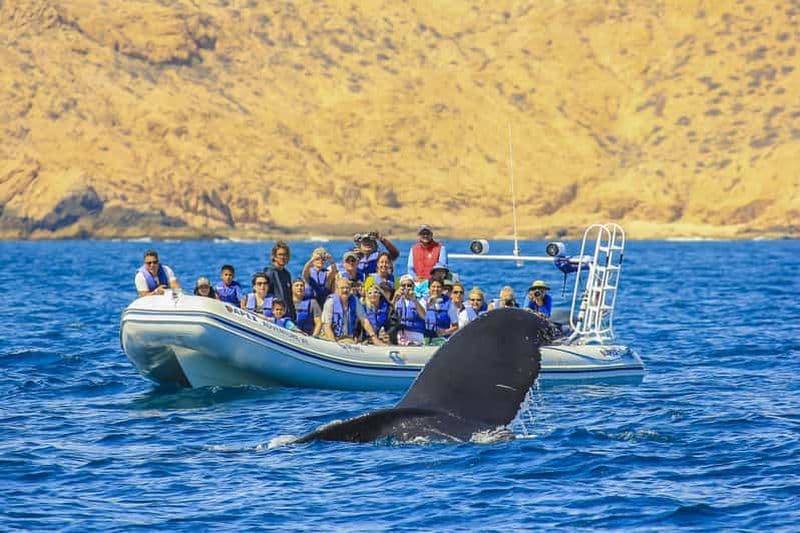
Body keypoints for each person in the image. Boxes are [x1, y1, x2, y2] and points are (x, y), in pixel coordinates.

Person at [322, 277, 383, 343]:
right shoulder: (330, 302)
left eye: (347, 288)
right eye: (342, 288)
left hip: (346, 338)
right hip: (330, 337)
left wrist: (374, 337)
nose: (345, 290)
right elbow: (326, 326)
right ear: (337, 289)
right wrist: (334, 343)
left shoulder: (355, 300)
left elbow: (364, 320)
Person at [264, 240, 295, 319]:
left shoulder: (287, 274)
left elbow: (289, 298)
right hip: (274, 316)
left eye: (285, 255)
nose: (282, 257)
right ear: (274, 256)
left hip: (286, 316)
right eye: (280, 254)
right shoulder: (269, 273)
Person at [393, 274, 427, 346]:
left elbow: (424, 316)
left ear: (413, 286)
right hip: (400, 334)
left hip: (416, 334)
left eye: (409, 285)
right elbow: (389, 314)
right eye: (403, 285)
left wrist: (414, 300)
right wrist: (395, 298)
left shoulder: (421, 300)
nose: (406, 288)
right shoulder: (397, 300)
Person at [423, 278, 459, 344]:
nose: (436, 289)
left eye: (438, 287)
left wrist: (445, 331)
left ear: (442, 289)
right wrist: (428, 304)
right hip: (425, 337)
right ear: (429, 288)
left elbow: (456, 326)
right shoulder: (423, 301)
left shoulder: (449, 304)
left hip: (442, 339)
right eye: (433, 286)